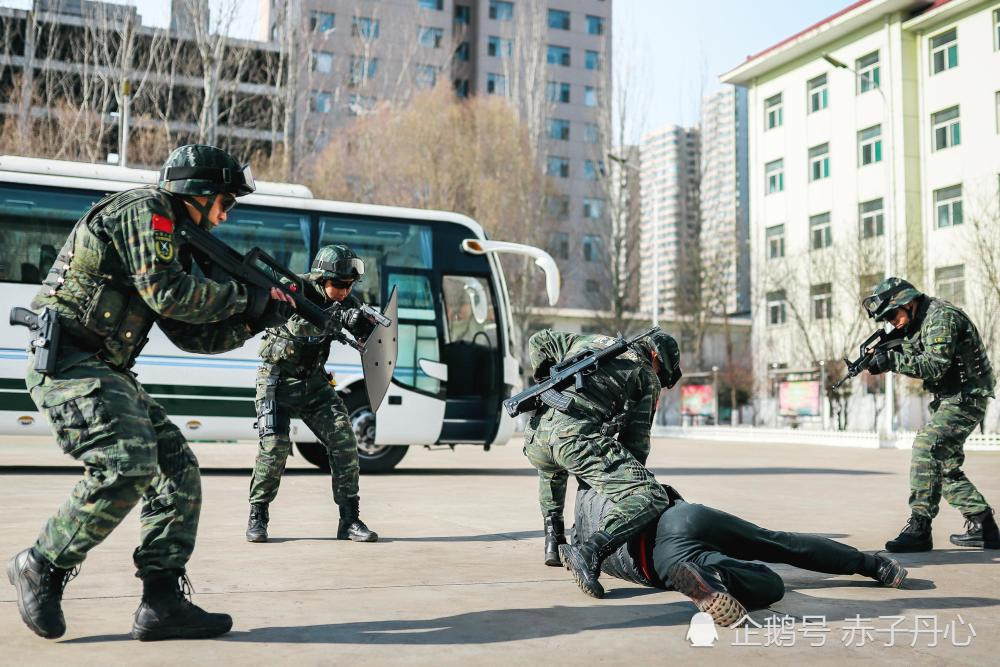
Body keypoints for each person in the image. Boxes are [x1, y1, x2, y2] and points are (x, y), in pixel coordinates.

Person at [7, 144, 295, 641]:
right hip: (70, 361)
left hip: (105, 369)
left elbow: (191, 335)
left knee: (177, 469)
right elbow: (169, 294)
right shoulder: (147, 210)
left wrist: (257, 320)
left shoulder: (178, 239)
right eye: (225, 202)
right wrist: (243, 297)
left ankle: (161, 602)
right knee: (128, 463)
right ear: (198, 193)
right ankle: (41, 564)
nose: (226, 215)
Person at [571, 485, 908, 627]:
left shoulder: (586, 550)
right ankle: (874, 565)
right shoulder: (595, 487)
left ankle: (712, 577)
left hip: (662, 561)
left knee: (769, 584)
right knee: (776, 543)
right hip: (682, 517)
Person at [522, 328, 682, 598]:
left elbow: (538, 340)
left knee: (554, 463)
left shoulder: (588, 341)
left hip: (536, 438)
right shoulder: (645, 374)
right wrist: (626, 486)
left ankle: (553, 541)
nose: (658, 377)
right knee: (651, 495)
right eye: (661, 371)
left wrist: (548, 379)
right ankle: (589, 552)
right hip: (574, 442)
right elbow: (636, 442)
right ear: (656, 357)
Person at [244, 244, 380, 544]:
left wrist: (365, 329)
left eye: (350, 286)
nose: (345, 292)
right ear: (322, 278)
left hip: (314, 381)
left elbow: (362, 335)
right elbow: (298, 324)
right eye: (340, 285)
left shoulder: (346, 301)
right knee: (274, 446)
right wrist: (339, 318)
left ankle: (349, 519)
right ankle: (258, 515)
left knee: (344, 440)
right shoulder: (294, 288)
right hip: (277, 380)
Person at [862, 277, 1000, 552]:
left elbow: (934, 366)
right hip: (949, 399)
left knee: (926, 446)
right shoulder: (915, 324)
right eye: (886, 319)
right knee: (942, 466)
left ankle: (920, 528)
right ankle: (983, 525)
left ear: (909, 303)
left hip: (967, 397)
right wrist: (881, 355)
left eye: (892, 315)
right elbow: (912, 351)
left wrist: (891, 360)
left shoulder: (941, 318)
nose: (892, 322)